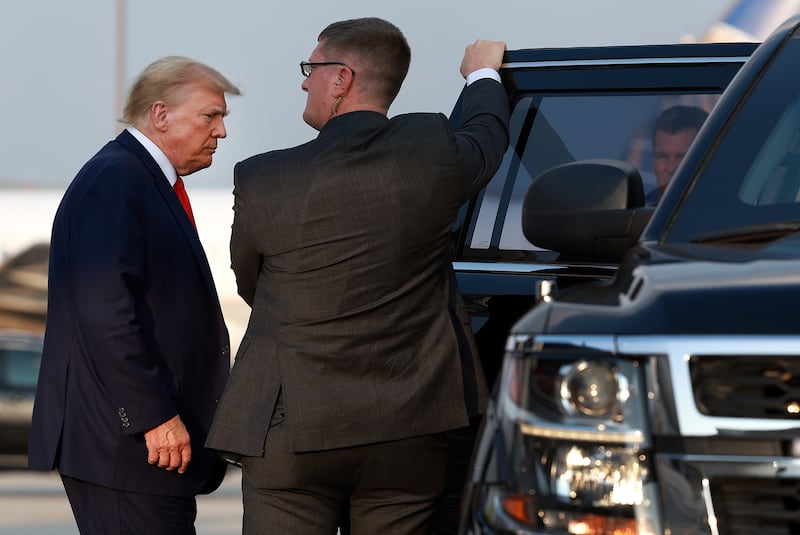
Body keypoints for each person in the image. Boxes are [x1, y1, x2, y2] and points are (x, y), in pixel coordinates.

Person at [206, 17, 509, 534]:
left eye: (312, 68)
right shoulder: (431, 148)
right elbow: (487, 136)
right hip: (408, 424)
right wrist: (482, 74)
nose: (305, 81)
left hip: (290, 423)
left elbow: (252, 284)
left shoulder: (262, 177)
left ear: (341, 79)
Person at [27, 56, 241, 535]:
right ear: (161, 115)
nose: (222, 131)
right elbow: (106, 311)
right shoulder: (118, 179)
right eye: (211, 115)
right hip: (126, 446)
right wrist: (154, 416)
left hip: (137, 448)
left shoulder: (137, 179)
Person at [646, 104, 708, 205]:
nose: (671, 168)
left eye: (682, 157)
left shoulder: (731, 215)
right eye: (662, 157)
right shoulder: (635, 217)